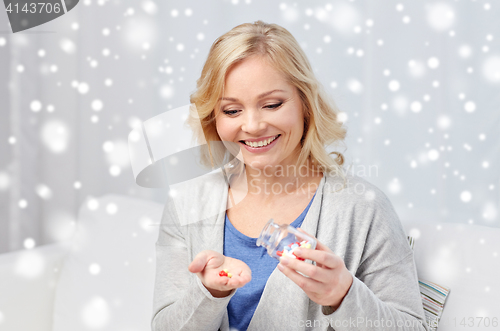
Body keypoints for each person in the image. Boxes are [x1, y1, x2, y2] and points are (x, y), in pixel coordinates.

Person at [152, 20, 429, 331]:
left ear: (305, 105)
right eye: (231, 110)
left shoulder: (363, 208)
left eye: (272, 104)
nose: (253, 125)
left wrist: (343, 296)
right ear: (212, 118)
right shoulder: (186, 203)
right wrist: (209, 294)